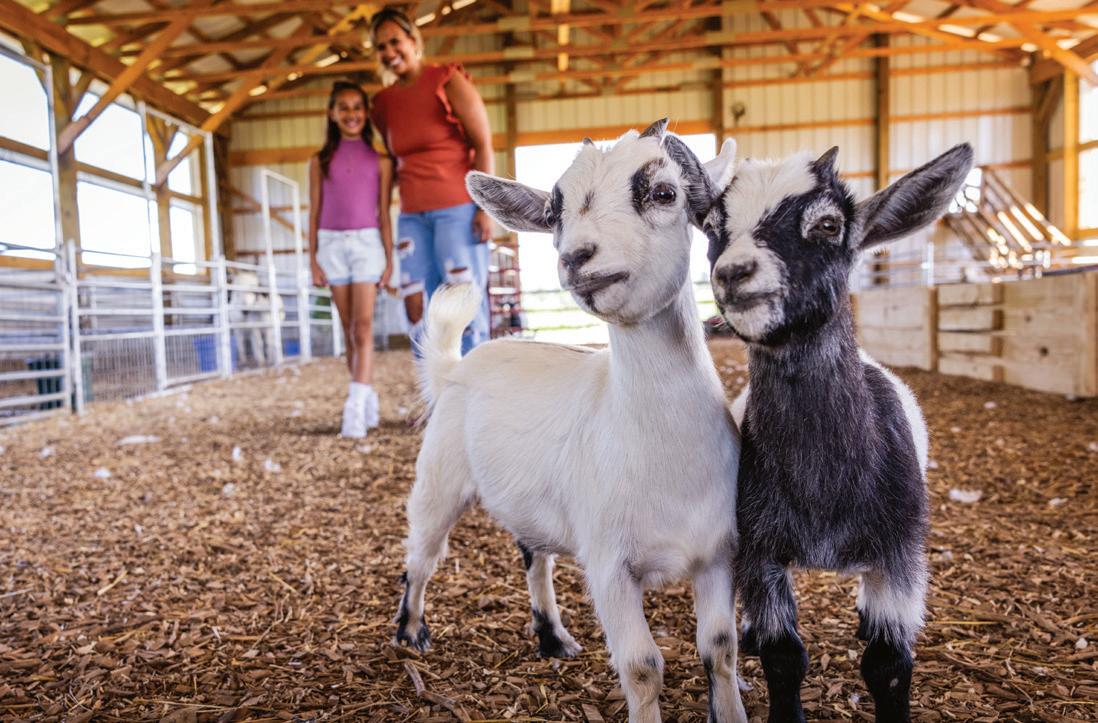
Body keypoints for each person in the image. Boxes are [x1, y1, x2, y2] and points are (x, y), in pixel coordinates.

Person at [368, 7, 494, 354]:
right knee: (416, 304)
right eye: (381, 47)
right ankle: (433, 385)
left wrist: (484, 209)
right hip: (411, 216)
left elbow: (483, 144)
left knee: (462, 301)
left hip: (458, 209)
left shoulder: (447, 80)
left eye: (395, 41)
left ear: (413, 40)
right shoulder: (382, 103)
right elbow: (392, 160)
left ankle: (472, 382)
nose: (389, 52)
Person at [309, 81, 394, 439]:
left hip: (366, 245)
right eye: (343, 107)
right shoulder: (319, 162)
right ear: (332, 114)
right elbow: (314, 212)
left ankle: (354, 408)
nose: (351, 114)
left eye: (357, 107)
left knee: (362, 327)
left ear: (366, 113)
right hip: (331, 246)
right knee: (347, 330)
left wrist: (389, 260)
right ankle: (367, 393)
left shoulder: (381, 161)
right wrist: (313, 259)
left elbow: (384, 214)